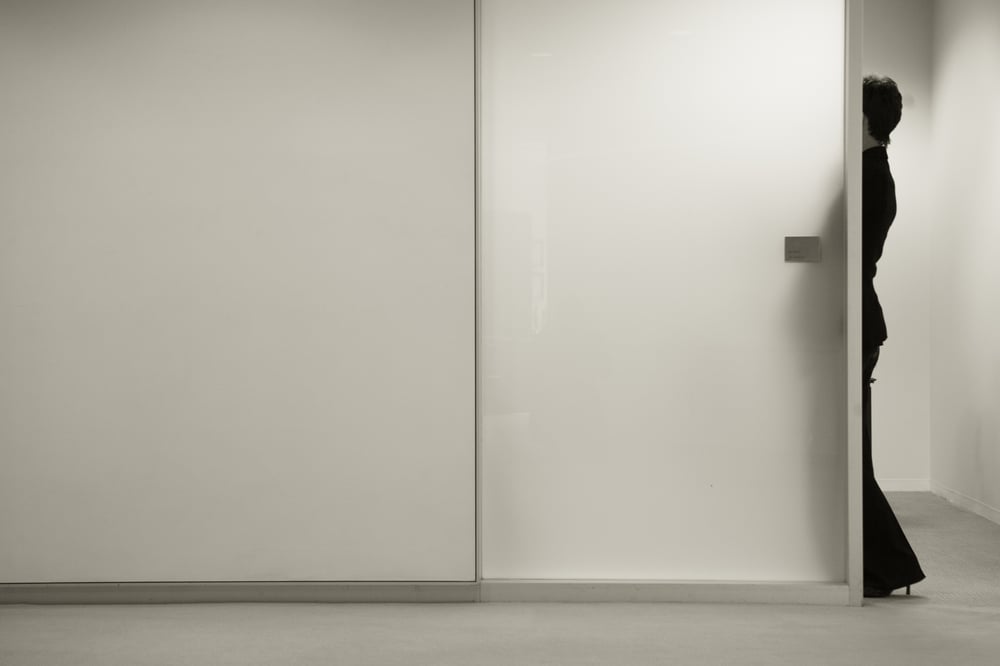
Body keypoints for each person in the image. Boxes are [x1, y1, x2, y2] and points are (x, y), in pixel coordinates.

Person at [861, 74, 926, 598]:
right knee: (849, 451)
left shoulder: (870, 175)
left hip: (857, 320)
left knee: (850, 454)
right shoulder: (873, 169)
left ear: (862, 118)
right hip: (860, 320)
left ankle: (889, 566)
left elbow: (854, 260)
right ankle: (884, 566)